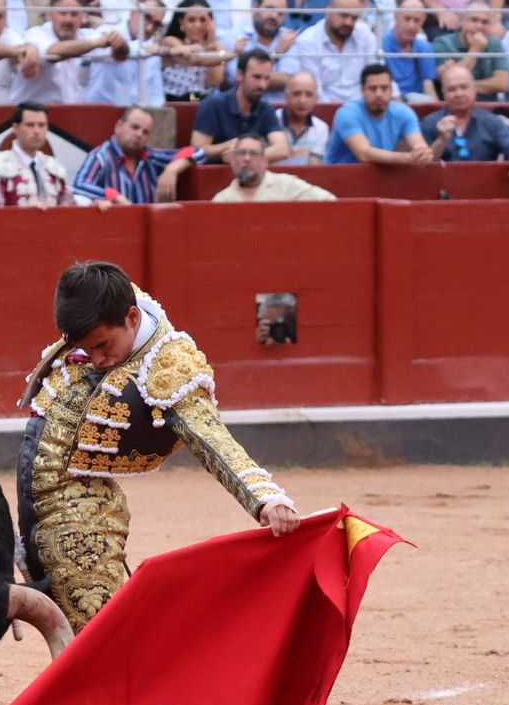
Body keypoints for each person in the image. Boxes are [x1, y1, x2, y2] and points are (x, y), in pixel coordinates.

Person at [17, 260, 300, 633]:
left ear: (132, 318)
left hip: (82, 517)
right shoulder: (106, 306)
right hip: (36, 508)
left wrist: (267, 498)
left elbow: (212, 439)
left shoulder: (167, 367)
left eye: (103, 345)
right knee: (81, 639)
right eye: (86, 349)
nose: (97, 359)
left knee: (96, 641)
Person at [11, 0, 124, 103]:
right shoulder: (35, 34)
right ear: (50, 15)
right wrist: (95, 44)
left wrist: (119, 43)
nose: (68, 20)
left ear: (83, 17)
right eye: (62, 13)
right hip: (31, 115)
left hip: (71, 113)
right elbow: (54, 52)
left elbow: (120, 56)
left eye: (74, 14)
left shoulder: (89, 35)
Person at [422, 64, 509, 174]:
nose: (459, 93)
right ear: (444, 93)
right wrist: (441, 140)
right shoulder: (430, 122)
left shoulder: (491, 122)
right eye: (451, 89)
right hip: (441, 188)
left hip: (484, 186)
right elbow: (422, 165)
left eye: (464, 87)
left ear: (474, 89)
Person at [72, 104, 188, 203]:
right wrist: (114, 196)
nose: (139, 134)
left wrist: (172, 170)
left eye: (145, 132)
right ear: (118, 126)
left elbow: (199, 153)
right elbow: (79, 185)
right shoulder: (101, 156)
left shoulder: (151, 157)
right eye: (135, 127)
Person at [190, 47, 289, 161]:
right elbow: (197, 150)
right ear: (240, 75)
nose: (262, 85)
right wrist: (234, 145)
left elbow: (282, 149)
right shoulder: (213, 104)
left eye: (267, 78)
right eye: (256, 77)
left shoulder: (266, 108)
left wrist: (245, 154)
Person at [277, 0, 379, 101]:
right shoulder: (308, 40)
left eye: (354, 18)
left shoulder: (365, 35)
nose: (348, 22)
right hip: (324, 109)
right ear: (329, 10)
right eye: (343, 15)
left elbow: (375, 77)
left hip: (363, 108)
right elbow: (314, 89)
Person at [327, 60, 431, 163]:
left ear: (391, 90)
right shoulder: (347, 113)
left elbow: (419, 146)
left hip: (381, 177)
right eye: (373, 88)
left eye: (384, 88)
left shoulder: (404, 113)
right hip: (339, 178)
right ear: (362, 90)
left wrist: (423, 153)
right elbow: (364, 154)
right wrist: (410, 158)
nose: (379, 94)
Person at [0, 99, 74, 205]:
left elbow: (68, 212)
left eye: (41, 125)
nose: (37, 131)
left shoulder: (55, 166)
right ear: (15, 128)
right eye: (30, 125)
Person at [84, 0, 165, 103]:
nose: (150, 28)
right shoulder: (106, 32)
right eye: (147, 18)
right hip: (99, 111)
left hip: (134, 115)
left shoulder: (153, 52)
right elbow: (122, 50)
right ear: (132, 13)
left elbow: (157, 98)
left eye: (156, 24)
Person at [211, 130, 333, 198]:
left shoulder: (287, 185)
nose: (247, 158)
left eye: (254, 153)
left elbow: (329, 201)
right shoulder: (222, 199)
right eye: (242, 153)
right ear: (232, 161)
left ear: (265, 161)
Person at [430, 0, 509, 100]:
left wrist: (465, 86)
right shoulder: (441, 44)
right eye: (474, 20)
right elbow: (450, 82)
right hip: (454, 109)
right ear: (462, 20)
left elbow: (502, 83)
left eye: (485, 22)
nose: (479, 26)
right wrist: (475, 50)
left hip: (488, 110)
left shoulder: (495, 44)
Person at [222, 0, 297, 93]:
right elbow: (235, 77)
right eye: (270, 9)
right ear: (256, 7)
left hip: (280, 106)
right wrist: (277, 54)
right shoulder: (235, 36)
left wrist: (252, 75)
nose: (274, 16)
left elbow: (288, 79)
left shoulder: (288, 39)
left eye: (280, 13)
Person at [159, 0, 229, 100]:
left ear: (211, 22)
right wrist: (209, 54)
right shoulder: (169, 41)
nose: (197, 25)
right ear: (181, 22)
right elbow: (189, 58)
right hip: (174, 102)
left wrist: (210, 42)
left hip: (205, 103)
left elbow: (214, 82)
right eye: (191, 20)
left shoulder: (216, 46)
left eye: (203, 20)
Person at [381, 0, 437, 99]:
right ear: (396, 16)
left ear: (423, 21)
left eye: (417, 20)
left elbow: (429, 87)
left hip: (417, 104)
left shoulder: (425, 48)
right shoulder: (381, 45)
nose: (411, 26)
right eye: (407, 19)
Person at [276, 69, 327, 162]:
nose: (302, 100)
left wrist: (286, 153)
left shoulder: (321, 128)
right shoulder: (272, 120)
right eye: (296, 94)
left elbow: (315, 167)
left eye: (309, 94)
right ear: (286, 96)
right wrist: (303, 153)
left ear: (316, 98)